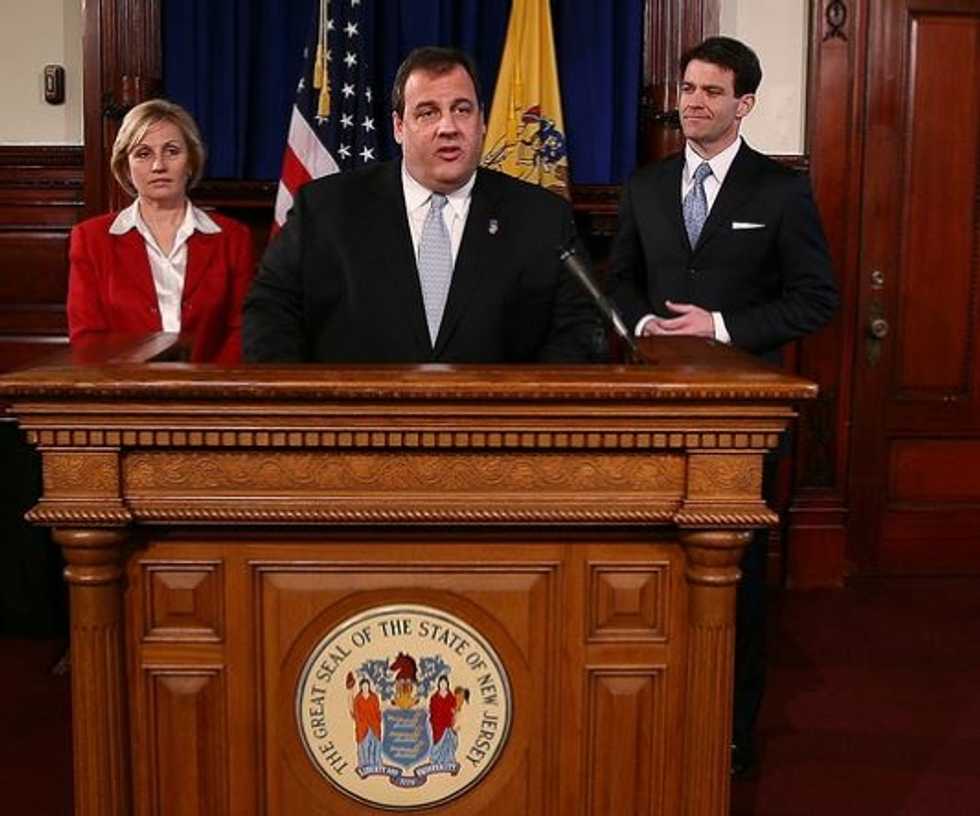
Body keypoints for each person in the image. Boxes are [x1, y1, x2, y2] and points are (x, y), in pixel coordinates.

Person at [607, 36, 839, 776]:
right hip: (653, 414)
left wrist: (721, 326)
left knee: (735, 578)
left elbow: (816, 299)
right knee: (652, 568)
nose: (694, 102)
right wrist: (644, 321)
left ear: (744, 104)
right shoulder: (646, 186)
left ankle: (730, 732)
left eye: (711, 92)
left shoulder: (780, 192)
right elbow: (618, 283)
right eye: (688, 89)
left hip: (742, 421)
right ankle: (657, 715)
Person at [242, 47, 602, 364]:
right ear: (399, 126)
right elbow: (270, 311)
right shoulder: (325, 210)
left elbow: (579, 328)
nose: (448, 127)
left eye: (462, 109)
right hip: (358, 417)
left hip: (497, 418)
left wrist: (528, 407)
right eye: (428, 113)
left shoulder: (541, 218)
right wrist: (305, 406)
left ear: (482, 122)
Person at [67, 99, 255, 362]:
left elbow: (242, 330)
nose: (158, 166)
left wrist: (207, 382)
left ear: (191, 162)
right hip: (123, 385)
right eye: (143, 154)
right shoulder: (91, 239)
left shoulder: (233, 238)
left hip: (212, 384)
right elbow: (87, 337)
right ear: (125, 167)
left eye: (172, 151)